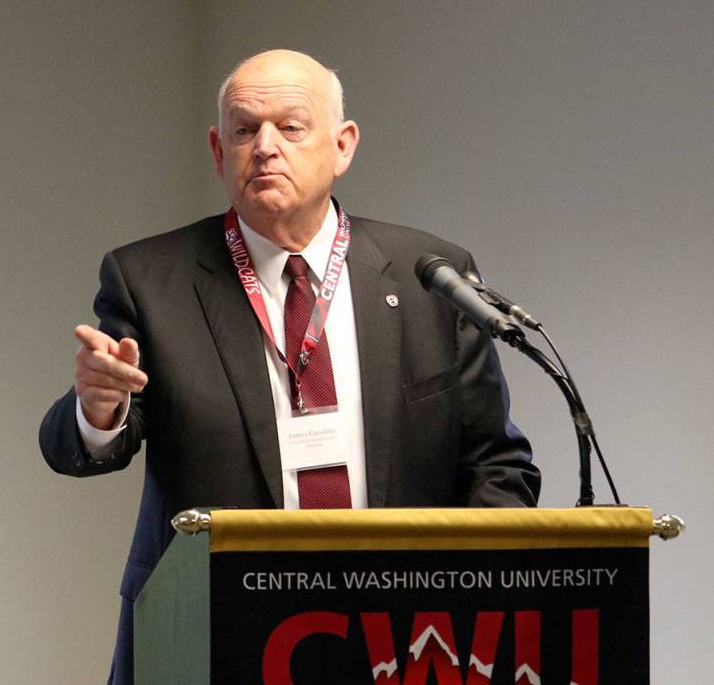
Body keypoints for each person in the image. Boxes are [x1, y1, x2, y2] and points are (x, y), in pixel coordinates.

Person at [39, 49, 540, 685]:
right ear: (219, 153)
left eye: (290, 127)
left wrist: (468, 590)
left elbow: (497, 462)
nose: (265, 147)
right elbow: (80, 445)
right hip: (216, 629)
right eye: (245, 130)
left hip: (404, 633)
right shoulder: (150, 279)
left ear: (343, 145)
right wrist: (98, 408)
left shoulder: (431, 276)